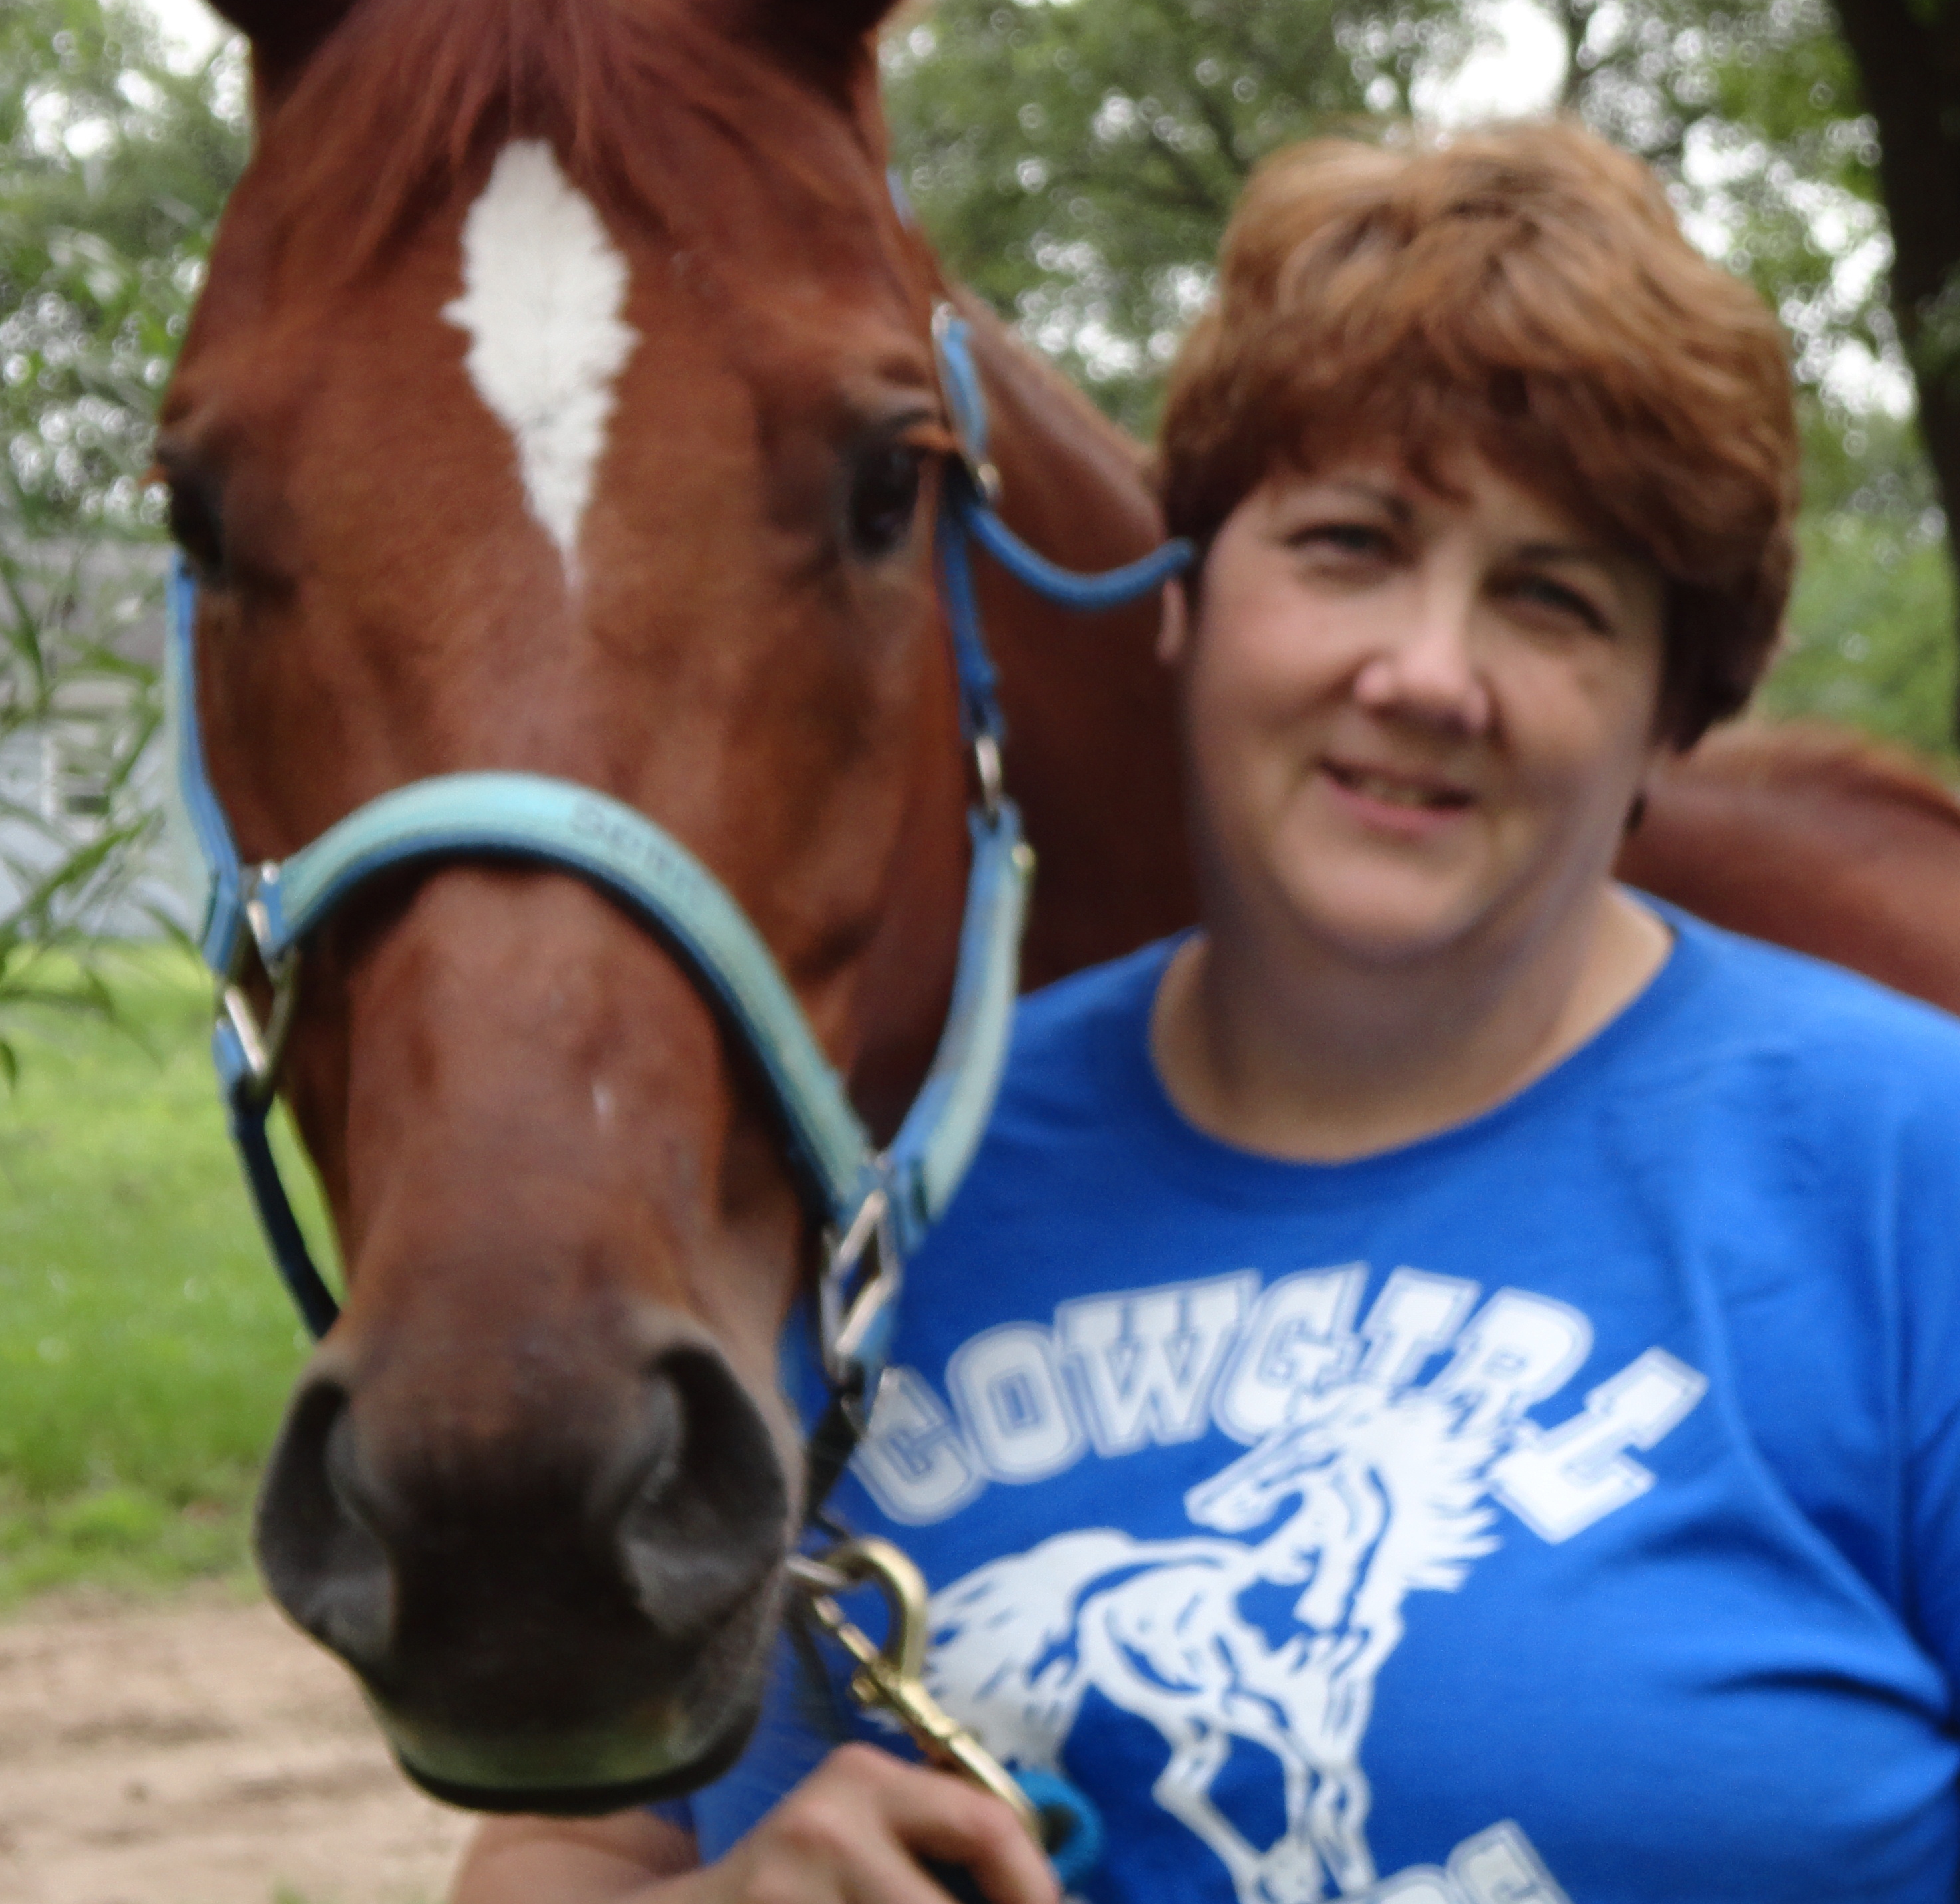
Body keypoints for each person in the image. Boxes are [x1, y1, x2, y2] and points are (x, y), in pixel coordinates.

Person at [452, 119, 1960, 1904]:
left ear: (1668, 712)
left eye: (1551, 598)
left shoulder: (1906, 1180)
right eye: (1348, 543)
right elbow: (559, 1844)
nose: (1425, 674)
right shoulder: (863, 1205)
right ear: (1183, 601)